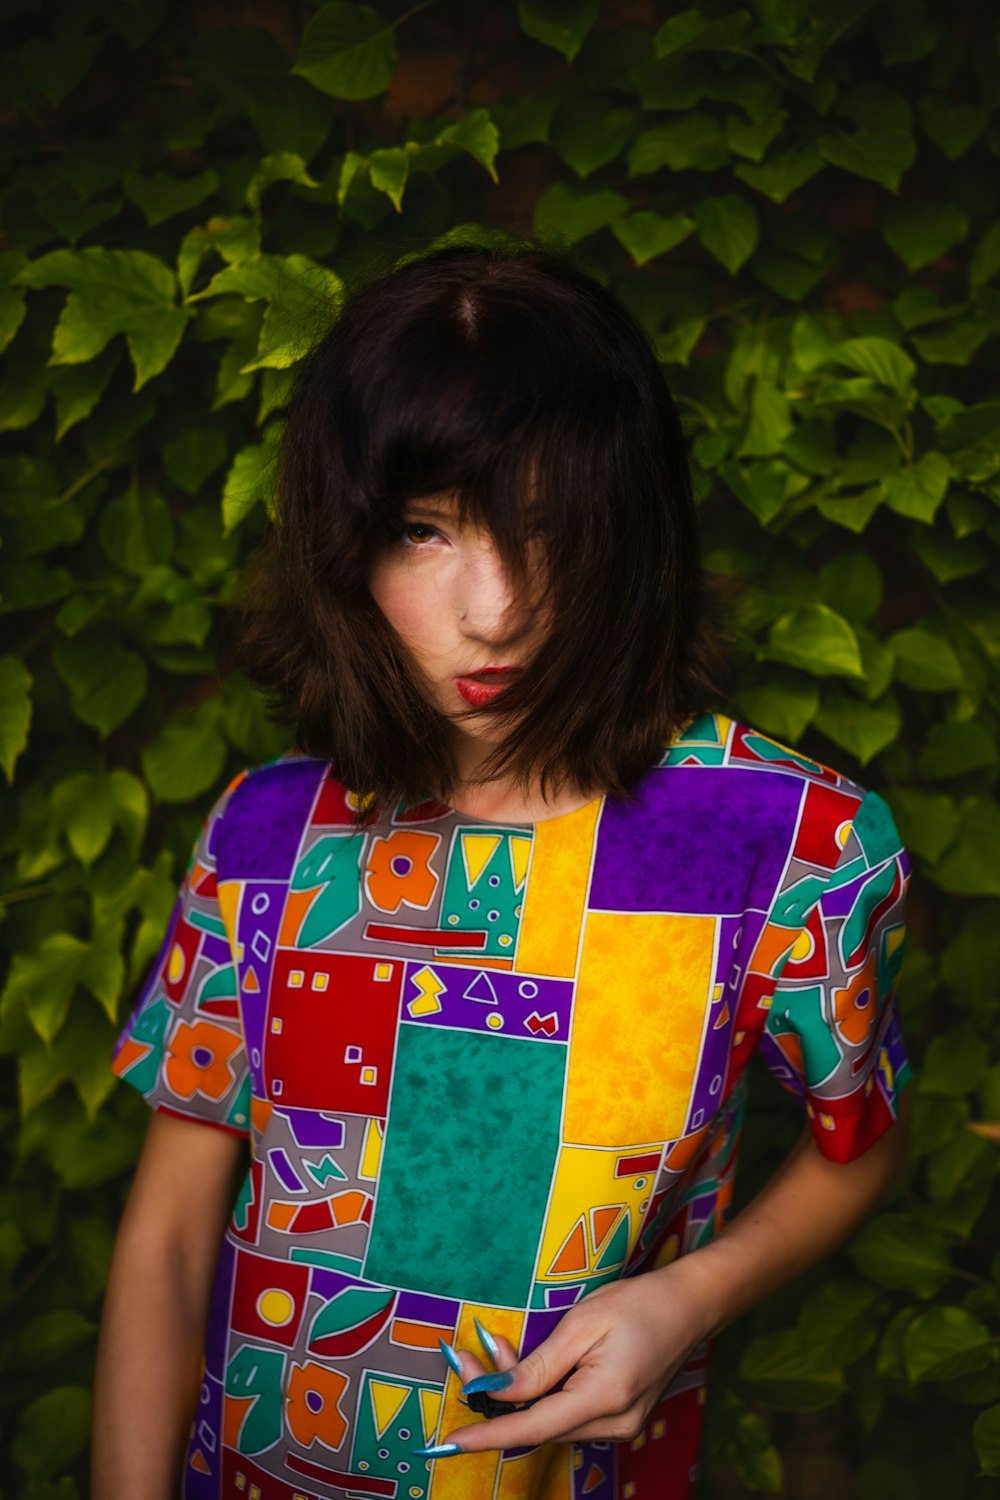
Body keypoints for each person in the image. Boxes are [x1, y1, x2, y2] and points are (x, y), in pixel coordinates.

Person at [92, 241, 913, 1500]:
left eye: (547, 525)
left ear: (630, 524)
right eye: (424, 532)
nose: (498, 609)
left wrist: (689, 1298)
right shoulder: (266, 835)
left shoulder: (794, 845)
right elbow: (164, 1241)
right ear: (343, 547)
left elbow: (860, 1139)